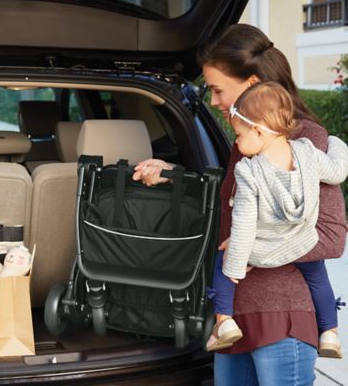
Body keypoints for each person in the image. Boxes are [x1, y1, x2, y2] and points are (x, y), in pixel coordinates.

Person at [133, 24, 347, 385]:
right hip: (236, 315)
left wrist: (254, 248)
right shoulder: (246, 141)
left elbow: (331, 237)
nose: (213, 101)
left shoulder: (305, 141)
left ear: (252, 84)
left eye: (218, 90)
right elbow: (236, 206)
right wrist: (174, 175)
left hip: (283, 317)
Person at [203, 81, 347, 359]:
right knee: (318, 277)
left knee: (223, 260)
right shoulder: (308, 153)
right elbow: (338, 171)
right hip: (304, 243)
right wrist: (337, 143)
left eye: (239, 135)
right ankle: (330, 333)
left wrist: (236, 264)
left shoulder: (249, 171)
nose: (236, 142)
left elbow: (243, 225)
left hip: (263, 249)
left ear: (258, 131)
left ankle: (224, 323)